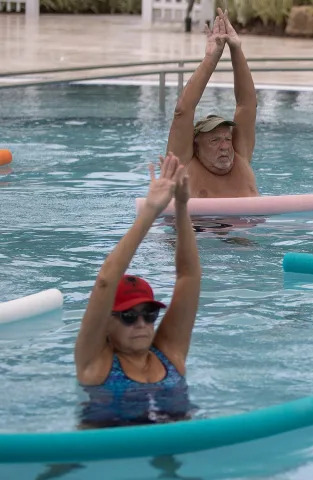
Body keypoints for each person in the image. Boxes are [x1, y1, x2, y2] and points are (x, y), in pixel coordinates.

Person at [74, 153, 200, 427]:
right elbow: (106, 280)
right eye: (129, 316)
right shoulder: (96, 364)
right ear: (107, 322)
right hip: (105, 462)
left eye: (149, 314)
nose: (142, 324)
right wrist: (151, 212)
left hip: (172, 457)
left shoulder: (170, 355)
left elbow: (188, 277)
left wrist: (181, 204)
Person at [166, 8, 258, 199]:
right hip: (199, 229)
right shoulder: (184, 165)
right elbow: (183, 111)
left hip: (245, 229)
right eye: (214, 140)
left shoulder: (240, 158)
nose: (224, 146)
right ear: (196, 147)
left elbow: (247, 105)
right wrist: (211, 58)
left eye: (226, 139)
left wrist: (236, 48)